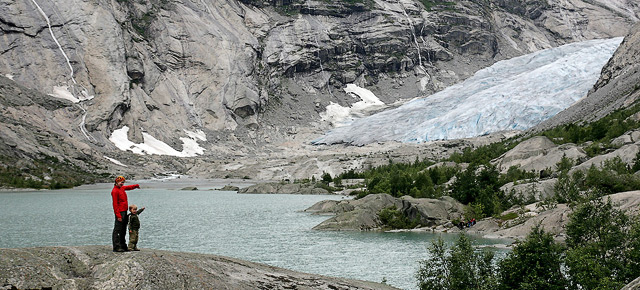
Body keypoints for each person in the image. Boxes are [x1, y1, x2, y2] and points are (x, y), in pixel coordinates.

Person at [111, 176, 140, 252]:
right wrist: (118, 215)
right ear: (116, 182)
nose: (122, 184)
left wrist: (135, 186)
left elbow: (129, 187)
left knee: (123, 229)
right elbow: (115, 204)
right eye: (121, 182)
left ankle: (123, 246)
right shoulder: (115, 191)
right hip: (120, 212)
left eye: (123, 182)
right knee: (117, 230)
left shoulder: (122, 188)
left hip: (124, 211)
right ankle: (116, 247)